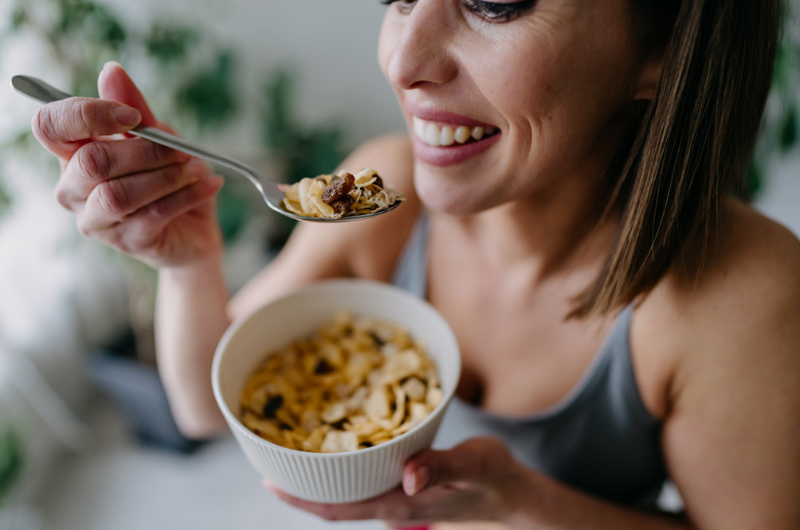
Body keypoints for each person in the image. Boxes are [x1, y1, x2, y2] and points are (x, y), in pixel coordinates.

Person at [31, 0, 800, 528]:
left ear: (664, 47)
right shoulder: (383, 193)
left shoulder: (743, 299)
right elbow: (207, 405)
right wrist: (190, 262)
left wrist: (518, 501)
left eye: (496, 0)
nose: (401, 60)